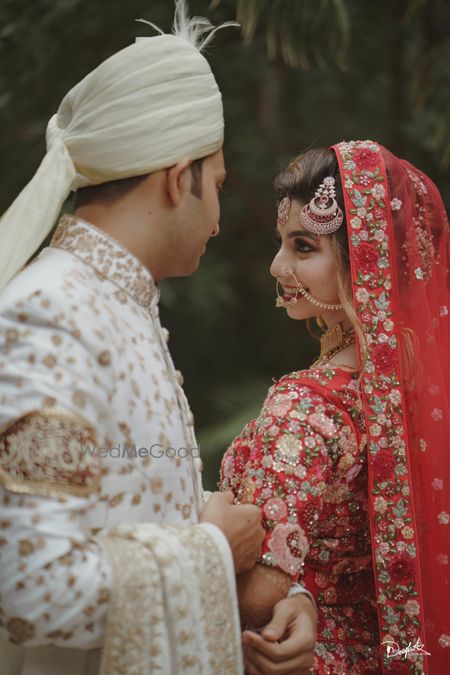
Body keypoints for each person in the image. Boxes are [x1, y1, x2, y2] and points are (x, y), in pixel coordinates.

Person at [0, 2, 316, 674]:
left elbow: (122, 504)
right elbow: (34, 589)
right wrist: (210, 549)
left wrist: (272, 587)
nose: (219, 219)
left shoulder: (120, 305)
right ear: (179, 179)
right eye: (218, 186)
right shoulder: (51, 315)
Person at [220, 140, 450, 674]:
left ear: (363, 258)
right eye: (281, 243)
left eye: (303, 247)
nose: (277, 266)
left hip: (302, 655)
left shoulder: (307, 406)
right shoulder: (422, 393)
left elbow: (259, 587)